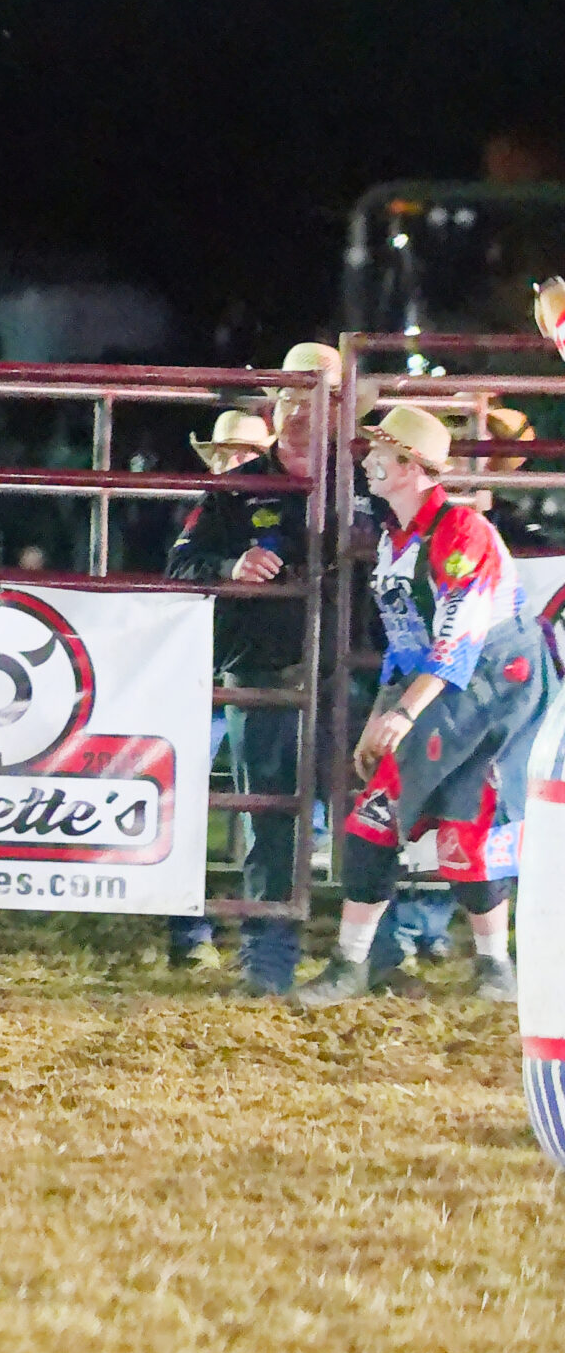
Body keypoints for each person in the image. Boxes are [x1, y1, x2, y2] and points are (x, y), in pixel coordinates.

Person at [296, 404, 549, 1005]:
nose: (370, 464)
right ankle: (488, 967)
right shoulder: (398, 537)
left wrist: (400, 713)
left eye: (382, 454)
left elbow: (456, 637)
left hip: (488, 686)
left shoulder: (460, 532)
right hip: (457, 685)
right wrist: (388, 705)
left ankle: (365, 964)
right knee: (436, 815)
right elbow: (410, 638)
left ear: (412, 467)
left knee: (448, 819)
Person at [160, 401, 317, 993]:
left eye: (322, 396)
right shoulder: (232, 493)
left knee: (366, 813)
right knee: (270, 817)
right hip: (262, 668)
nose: (306, 410)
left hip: (348, 673)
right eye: (296, 396)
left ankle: (375, 952)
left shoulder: (364, 485)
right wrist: (232, 564)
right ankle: (268, 960)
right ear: (277, 410)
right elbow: (180, 564)